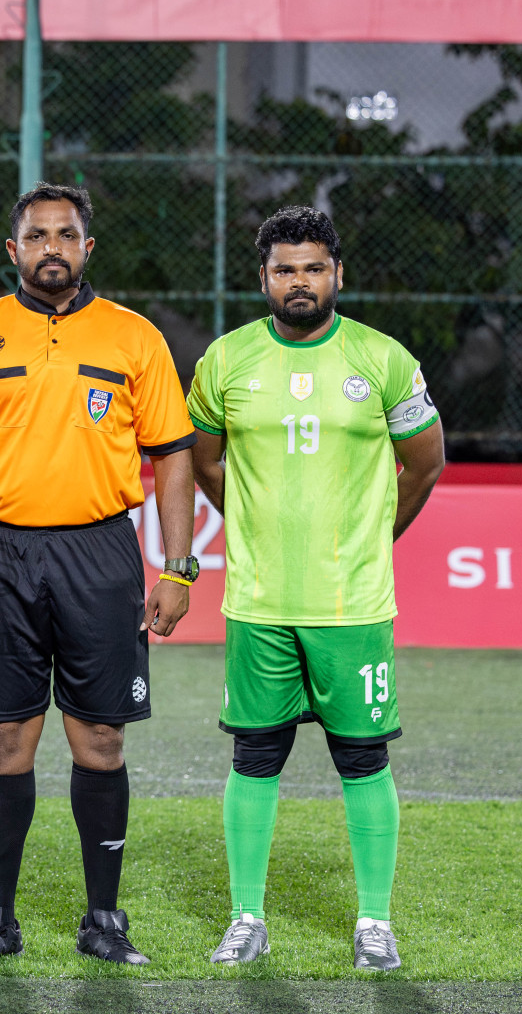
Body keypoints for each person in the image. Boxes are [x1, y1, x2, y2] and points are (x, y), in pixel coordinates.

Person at [0, 183, 199, 965]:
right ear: (13, 251)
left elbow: (173, 456)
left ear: (86, 248)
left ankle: (103, 919)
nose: (51, 247)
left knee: (101, 739)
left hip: (101, 552)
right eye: (36, 235)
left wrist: (177, 567)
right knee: (5, 738)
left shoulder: (133, 338)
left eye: (65, 235)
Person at [188, 206, 444, 971]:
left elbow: (425, 463)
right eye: (284, 269)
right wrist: (256, 527)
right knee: (254, 758)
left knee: (363, 760)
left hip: (352, 606)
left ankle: (374, 921)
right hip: (260, 603)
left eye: (314, 267)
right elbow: (206, 463)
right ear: (262, 278)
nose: (300, 281)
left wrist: (373, 538)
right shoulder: (226, 360)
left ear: (338, 273)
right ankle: (246, 917)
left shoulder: (383, 358)